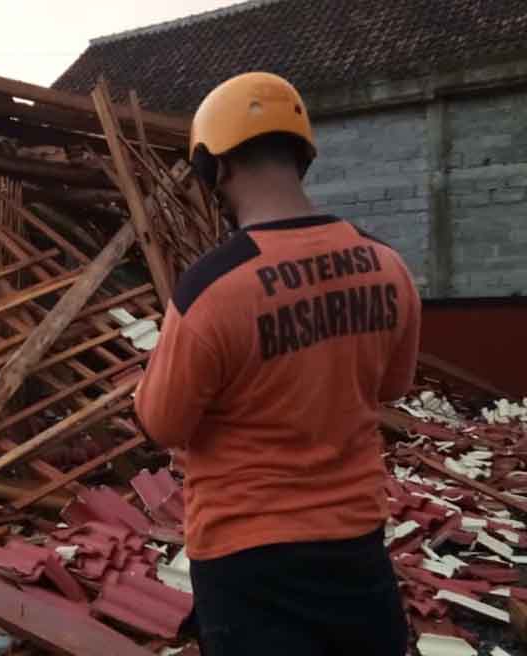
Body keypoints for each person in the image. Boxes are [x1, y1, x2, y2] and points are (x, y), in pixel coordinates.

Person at [134, 72, 419, 656]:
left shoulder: (210, 290)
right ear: (302, 154)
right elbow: (389, 386)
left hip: (247, 561)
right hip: (356, 547)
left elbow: (163, 425)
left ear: (217, 167)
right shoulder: (388, 268)